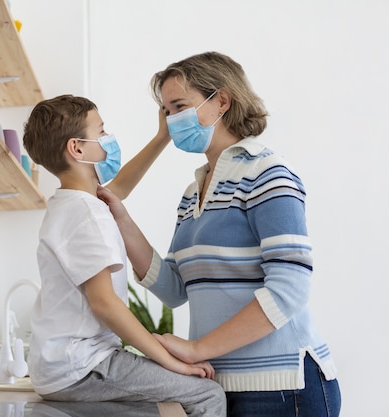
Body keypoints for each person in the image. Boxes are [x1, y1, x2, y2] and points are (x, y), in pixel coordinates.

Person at [97, 52, 342, 417]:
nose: (173, 120)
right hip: (221, 385)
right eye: (166, 112)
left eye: (179, 106)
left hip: (284, 387)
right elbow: (174, 289)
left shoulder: (267, 172)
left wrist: (198, 350)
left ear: (222, 101)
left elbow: (290, 287)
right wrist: (122, 220)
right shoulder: (193, 192)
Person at [22, 94, 226, 417]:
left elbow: (119, 188)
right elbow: (105, 303)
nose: (108, 139)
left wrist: (161, 137)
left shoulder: (71, 203)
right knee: (207, 395)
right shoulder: (86, 214)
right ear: (77, 148)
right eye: (101, 132)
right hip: (84, 366)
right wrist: (168, 360)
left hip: (61, 368)